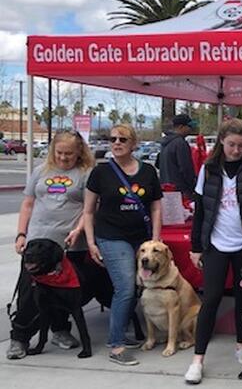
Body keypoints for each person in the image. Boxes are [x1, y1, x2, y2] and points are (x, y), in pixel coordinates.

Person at [184, 118, 242, 384]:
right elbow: (200, 209)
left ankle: (240, 343)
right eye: (232, 145)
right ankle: (197, 360)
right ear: (222, 141)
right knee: (211, 298)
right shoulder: (209, 169)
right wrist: (195, 247)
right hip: (216, 244)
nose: (236, 150)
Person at [6, 131, 95, 360]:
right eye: (59, 153)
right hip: (37, 244)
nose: (64, 158)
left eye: (69, 154)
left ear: (79, 153)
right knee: (29, 292)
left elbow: (90, 209)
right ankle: (20, 338)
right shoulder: (40, 171)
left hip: (68, 246)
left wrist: (78, 230)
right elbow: (27, 204)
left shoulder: (85, 173)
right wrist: (21, 234)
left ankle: (60, 330)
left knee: (64, 292)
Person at [84, 124, 163, 366]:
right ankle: (116, 345)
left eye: (123, 139)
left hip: (140, 237)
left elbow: (156, 207)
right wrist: (91, 242)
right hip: (111, 235)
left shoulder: (148, 172)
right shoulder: (101, 173)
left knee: (139, 285)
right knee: (126, 287)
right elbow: (88, 211)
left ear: (134, 144)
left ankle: (122, 334)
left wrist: (155, 240)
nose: (116, 143)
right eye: (113, 138)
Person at [158, 114, 197, 197]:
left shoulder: (164, 144)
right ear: (180, 127)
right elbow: (186, 169)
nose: (191, 129)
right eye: (189, 126)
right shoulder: (180, 143)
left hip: (165, 190)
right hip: (181, 192)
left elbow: (158, 164)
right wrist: (193, 186)